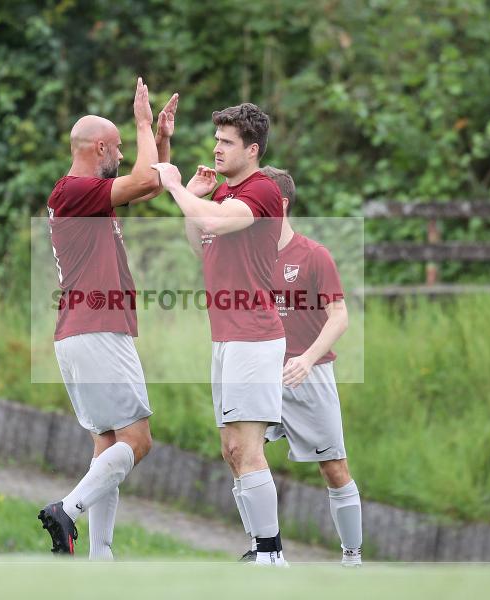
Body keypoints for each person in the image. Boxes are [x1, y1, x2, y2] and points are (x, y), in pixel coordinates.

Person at [38, 77, 179, 559]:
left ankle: (100, 559)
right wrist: (141, 122)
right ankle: (67, 511)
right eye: (117, 149)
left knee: (107, 446)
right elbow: (141, 180)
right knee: (137, 441)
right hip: (97, 330)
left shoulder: (87, 193)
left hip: (80, 332)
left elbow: (148, 187)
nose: (121, 156)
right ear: (99, 147)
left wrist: (158, 140)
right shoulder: (75, 189)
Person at [151, 103, 288, 566]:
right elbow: (202, 241)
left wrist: (174, 188)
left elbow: (212, 221)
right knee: (232, 450)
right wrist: (191, 195)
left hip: (254, 335)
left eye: (227, 142)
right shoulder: (229, 196)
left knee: (246, 449)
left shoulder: (262, 190)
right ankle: (259, 548)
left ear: (251, 150)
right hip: (228, 337)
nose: (216, 147)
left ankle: (272, 555)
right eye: (217, 139)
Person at [259, 165, 363, 566]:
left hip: (309, 376)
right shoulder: (248, 255)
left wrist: (306, 358)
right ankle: (266, 551)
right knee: (239, 450)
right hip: (262, 374)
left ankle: (352, 560)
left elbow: (340, 316)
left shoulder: (314, 255)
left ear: (280, 203)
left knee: (334, 468)